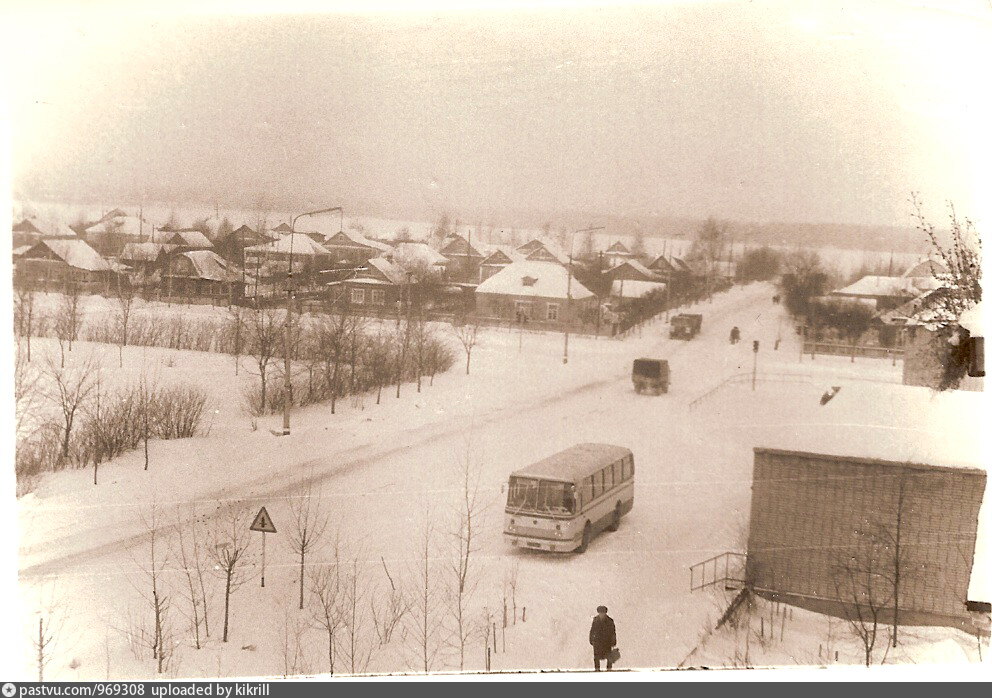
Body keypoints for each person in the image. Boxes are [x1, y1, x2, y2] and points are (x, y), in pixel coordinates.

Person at [589, 605, 617, 671]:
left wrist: (613, 641)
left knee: (609, 656)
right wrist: (591, 639)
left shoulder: (610, 621)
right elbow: (592, 630)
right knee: (596, 656)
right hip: (597, 641)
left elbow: (613, 632)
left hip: (607, 641)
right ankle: (597, 669)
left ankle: (609, 669)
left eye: (603, 612)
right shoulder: (595, 620)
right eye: (600, 612)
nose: (601, 614)